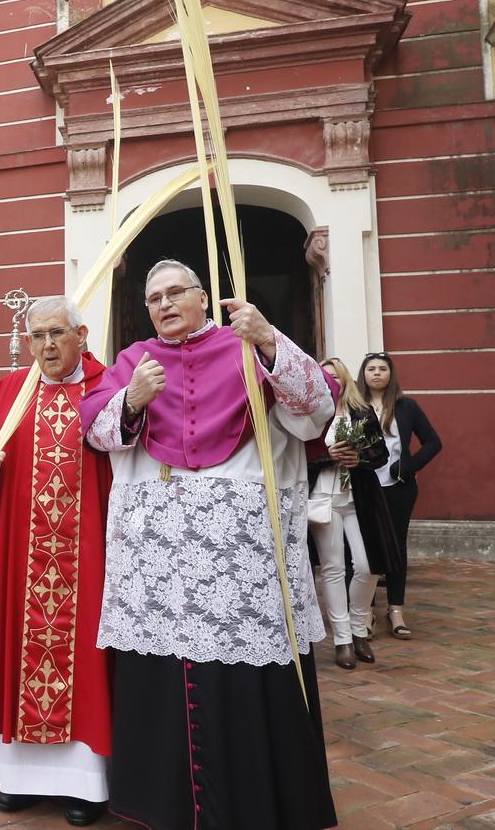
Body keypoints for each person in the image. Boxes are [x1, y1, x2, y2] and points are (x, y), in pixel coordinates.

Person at [80, 260, 336, 830]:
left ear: (204, 298)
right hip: (158, 563)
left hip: (240, 557)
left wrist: (268, 340)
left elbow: (316, 411)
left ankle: (254, 804)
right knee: (164, 677)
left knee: (243, 680)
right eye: (153, 298)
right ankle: (164, 804)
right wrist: (133, 400)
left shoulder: (247, 343)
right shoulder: (131, 361)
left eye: (176, 293)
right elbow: (96, 431)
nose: (165, 305)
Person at [0, 295, 112, 826]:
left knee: (89, 663)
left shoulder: (107, 387)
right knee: (15, 649)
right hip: (18, 557)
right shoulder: (10, 390)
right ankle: (18, 776)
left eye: (57, 334)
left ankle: (83, 783)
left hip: (87, 557)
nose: (47, 345)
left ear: (81, 334)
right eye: (37, 336)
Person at [308, 357, 399, 669]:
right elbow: (298, 459)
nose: (331, 381)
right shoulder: (312, 415)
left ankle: (360, 628)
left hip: (359, 498)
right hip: (323, 498)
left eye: (336, 376)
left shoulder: (362, 411)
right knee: (333, 568)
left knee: (366, 565)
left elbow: (380, 455)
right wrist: (327, 456)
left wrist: (356, 458)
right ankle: (343, 639)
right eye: (325, 376)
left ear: (345, 380)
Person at [359, 352, 442, 640]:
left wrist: (407, 466)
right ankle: (366, 611)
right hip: (365, 487)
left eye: (383, 368)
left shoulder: (407, 406)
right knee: (367, 548)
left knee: (396, 548)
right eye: (372, 368)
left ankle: (396, 610)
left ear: (391, 375)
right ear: (364, 374)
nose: (377, 373)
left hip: (399, 487)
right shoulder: (355, 405)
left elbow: (433, 443)